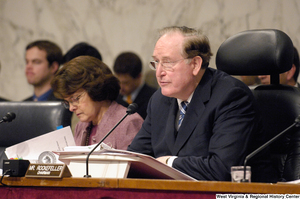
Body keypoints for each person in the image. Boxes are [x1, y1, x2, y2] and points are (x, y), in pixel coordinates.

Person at [128, 26, 275, 182]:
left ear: (195, 64)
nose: (159, 72)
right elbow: (135, 160)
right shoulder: (159, 100)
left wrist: (168, 162)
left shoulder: (231, 97)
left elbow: (221, 169)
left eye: (168, 63)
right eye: (156, 62)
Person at [51, 55, 144, 150]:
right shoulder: (81, 126)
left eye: (75, 99)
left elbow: (135, 164)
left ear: (95, 89)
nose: (71, 108)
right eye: (68, 102)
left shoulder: (128, 123)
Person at [113, 52, 157, 119]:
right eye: (118, 82)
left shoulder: (154, 98)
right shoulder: (114, 98)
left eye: (126, 83)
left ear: (139, 76)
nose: (121, 87)